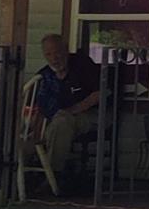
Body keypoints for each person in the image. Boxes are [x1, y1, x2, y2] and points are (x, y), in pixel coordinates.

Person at [34, 34, 102, 180]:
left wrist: (72, 110)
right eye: (48, 54)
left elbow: (100, 93)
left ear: (66, 50)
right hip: (57, 118)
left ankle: (52, 175)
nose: (54, 58)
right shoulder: (44, 76)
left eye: (57, 52)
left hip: (93, 114)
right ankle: (32, 170)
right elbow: (39, 107)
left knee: (61, 122)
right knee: (48, 125)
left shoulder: (83, 65)